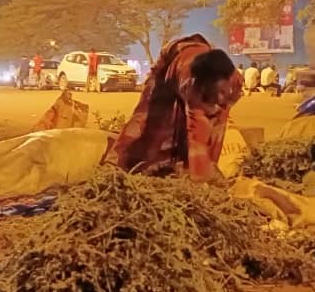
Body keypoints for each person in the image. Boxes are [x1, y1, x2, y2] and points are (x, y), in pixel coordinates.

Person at [104, 33, 243, 182]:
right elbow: (197, 136)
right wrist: (202, 177)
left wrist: (218, 105)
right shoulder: (191, 84)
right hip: (169, 69)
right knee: (151, 121)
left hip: (200, 74)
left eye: (224, 91)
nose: (221, 99)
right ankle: (121, 166)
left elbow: (224, 105)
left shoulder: (235, 80)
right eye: (218, 93)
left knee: (216, 125)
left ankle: (191, 168)